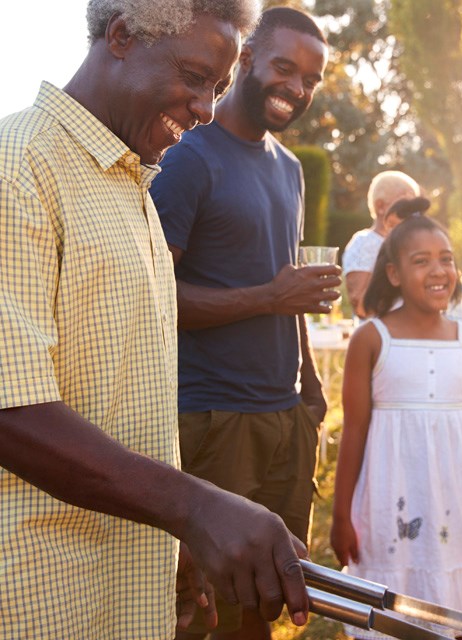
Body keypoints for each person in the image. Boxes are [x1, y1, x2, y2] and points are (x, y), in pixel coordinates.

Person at [0, 1, 314, 638]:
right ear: (121, 36)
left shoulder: (135, 183)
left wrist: (173, 535)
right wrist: (194, 507)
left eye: (219, 88)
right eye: (195, 76)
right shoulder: (19, 168)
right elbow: (13, 412)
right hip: (45, 589)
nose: (205, 107)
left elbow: (127, 393)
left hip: (127, 575)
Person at [149, 7, 337, 639]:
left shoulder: (290, 168)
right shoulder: (187, 156)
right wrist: (268, 297)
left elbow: (288, 289)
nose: (297, 88)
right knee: (202, 604)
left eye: (311, 79)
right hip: (213, 419)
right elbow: (153, 299)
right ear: (247, 59)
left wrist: (309, 390)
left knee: (266, 600)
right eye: (285, 67)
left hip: (285, 419)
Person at [331, 207, 462, 638]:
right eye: (422, 261)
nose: (439, 271)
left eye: (447, 258)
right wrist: (341, 514)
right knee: (394, 619)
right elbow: (355, 432)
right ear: (394, 274)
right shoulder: (371, 338)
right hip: (393, 499)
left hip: (459, 499)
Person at [342, 170, 420, 319]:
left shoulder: (412, 244)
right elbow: (360, 304)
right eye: (405, 206)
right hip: (380, 335)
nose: (413, 214)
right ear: (381, 206)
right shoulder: (364, 242)